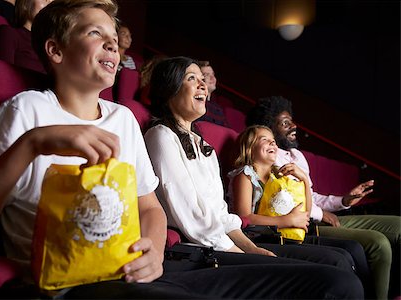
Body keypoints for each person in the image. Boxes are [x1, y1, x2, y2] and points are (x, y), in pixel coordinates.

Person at [0, 1, 363, 298]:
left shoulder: (121, 118)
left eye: (115, 39)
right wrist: (32, 145)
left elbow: (149, 207)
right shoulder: (26, 111)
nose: (113, 46)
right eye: (96, 34)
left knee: (336, 282)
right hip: (73, 282)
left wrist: (152, 249)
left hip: (148, 270)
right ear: (55, 51)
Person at [143, 56, 365, 298]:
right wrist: (240, 253)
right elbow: (193, 219)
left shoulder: (202, 144)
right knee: (338, 282)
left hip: (222, 243)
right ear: (169, 89)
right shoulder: (161, 136)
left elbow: (221, 214)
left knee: (340, 272)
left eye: (202, 79)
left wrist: (250, 248)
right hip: (199, 251)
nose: (203, 85)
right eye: (191, 78)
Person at [246, 95, 401, 299]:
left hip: (317, 215)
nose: (293, 126)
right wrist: (321, 213)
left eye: (292, 120)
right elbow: (286, 201)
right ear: (268, 127)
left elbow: (310, 194)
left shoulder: (297, 156)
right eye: (285, 123)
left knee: (398, 226)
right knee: (377, 242)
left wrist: (343, 200)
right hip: (303, 222)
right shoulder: (269, 158)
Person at [228, 124, 373, 297]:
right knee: (339, 260)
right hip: (260, 238)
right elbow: (243, 218)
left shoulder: (278, 176)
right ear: (250, 147)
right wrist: (287, 221)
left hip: (287, 233)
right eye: (264, 140)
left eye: (273, 141)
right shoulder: (245, 176)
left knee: (351, 250)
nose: (273, 144)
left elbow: (306, 209)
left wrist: (304, 179)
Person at [0, 0, 50, 73]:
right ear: (25, 5)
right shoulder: (11, 33)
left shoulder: (49, 44)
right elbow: (3, 75)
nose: (50, 3)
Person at [196, 60, 230, 127]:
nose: (212, 78)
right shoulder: (195, 104)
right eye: (207, 75)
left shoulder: (218, 108)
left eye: (213, 74)